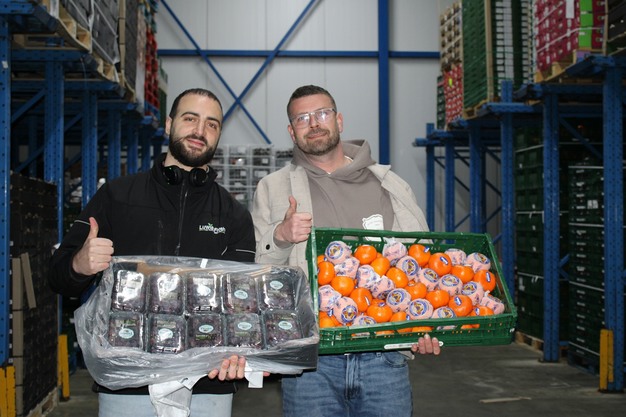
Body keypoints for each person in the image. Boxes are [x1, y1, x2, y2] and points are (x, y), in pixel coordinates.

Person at [48, 88, 256, 417]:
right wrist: (79, 264)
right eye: (190, 118)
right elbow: (57, 276)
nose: (200, 130)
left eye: (212, 124)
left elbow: (241, 306)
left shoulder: (234, 216)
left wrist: (240, 351)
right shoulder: (117, 196)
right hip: (128, 382)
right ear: (170, 124)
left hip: (207, 384)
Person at [251, 84, 441, 417]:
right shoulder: (273, 189)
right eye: (302, 118)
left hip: (384, 357)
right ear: (291, 132)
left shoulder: (390, 185)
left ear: (338, 120)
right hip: (311, 364)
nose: (314, 123)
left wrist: (427, 325)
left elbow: (422, 265)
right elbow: (258, 276)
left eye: (322, 113)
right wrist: (280, 236)